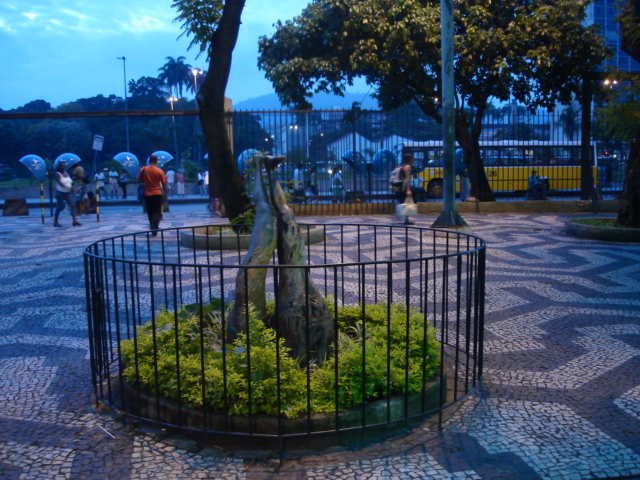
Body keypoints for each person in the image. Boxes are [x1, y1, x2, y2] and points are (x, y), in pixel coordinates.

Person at [137, 154, 166, 235]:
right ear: (156, 161)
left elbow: (139, 179)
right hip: (157, 193)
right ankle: (155, 226)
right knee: (157, 211)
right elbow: (164, 183)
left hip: (147, 194)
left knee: (150, 211)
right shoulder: (160, 171)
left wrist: (145, 179)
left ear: (149, 161)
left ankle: (152, 226)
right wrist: (165, 193)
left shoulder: (144, 169)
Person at [53, 161, 81, 227]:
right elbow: (61, 183)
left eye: (64, 165)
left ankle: (74, 221)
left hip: (68, 192)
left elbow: (71, 182)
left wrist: (75, 187)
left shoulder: (66, 172)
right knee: (60, 206)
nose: (64, 167)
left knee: (72, 205)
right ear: (59, 166)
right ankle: (55, 222)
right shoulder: (57, 174)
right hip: (60, 192)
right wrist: (70, 188)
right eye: (62, 165)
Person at [397, 153, 414, 225]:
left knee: (405, 203)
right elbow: (407, 179)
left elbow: (401, 177)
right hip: (405, 187)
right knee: (407, 203)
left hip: (402, 187)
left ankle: (406, 219)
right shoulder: (408, 167)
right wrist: (408, 189)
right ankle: (406, 219)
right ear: (409, 160)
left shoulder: (402, 166)